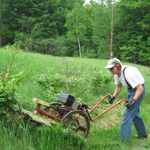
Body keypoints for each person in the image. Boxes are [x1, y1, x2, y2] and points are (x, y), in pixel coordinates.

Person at [105, 58, 147, 141]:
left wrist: (133, 101)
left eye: (111, 68)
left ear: (118, 66)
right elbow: (119, 86)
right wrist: (113, 97)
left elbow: (140, 88)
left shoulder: (128, 73)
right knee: (134, 113)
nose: (110, 70)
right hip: (130, 90)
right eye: (109, 69)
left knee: (127, 114)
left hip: (138, 91)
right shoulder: (116, 74)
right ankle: (142, 134)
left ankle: (124, 140)